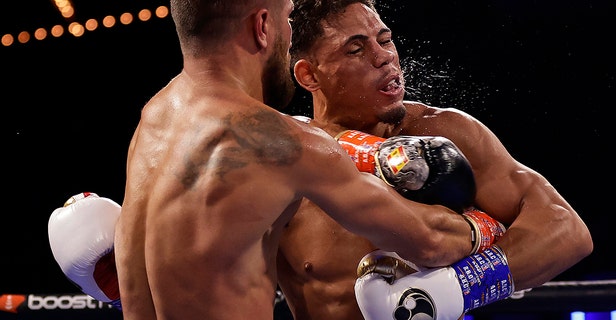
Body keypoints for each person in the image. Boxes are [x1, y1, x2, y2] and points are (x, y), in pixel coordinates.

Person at [47, 0, 511, 319]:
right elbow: (430, 242)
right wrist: (483, 224)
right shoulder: (283, 144)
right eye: (289, 18)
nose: (291, 35)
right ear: (263, 26)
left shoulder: (154, 117)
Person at [275, 0, 593, 319]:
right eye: (356, 50)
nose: (384, 56)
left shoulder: (444, 132)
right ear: (309, 75)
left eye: (385, 40)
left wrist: (449, 291)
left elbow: (566, 229)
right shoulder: (284, 162)